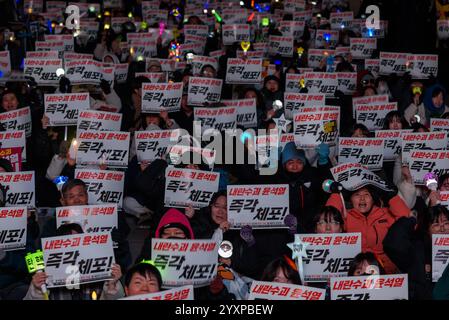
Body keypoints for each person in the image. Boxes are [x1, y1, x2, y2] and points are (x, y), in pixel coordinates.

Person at [24, 223, 123, 300]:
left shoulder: (101, 272)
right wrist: (37, 290)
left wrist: (112, 284)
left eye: (77, 241)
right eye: (67, 242)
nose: (73, 247)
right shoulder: (46, 276)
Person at [326, 184, 411, 273]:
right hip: (354, 271)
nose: (362, 198)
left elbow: (409, 223)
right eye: (357, 195)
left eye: (366, 194)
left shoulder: (386, 214)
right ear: (351, 200)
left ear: (373, 199)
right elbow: (329, 223)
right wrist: (336, 194)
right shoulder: (346, 217)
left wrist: (392, 198)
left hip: (386, 271)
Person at [384, 205, 449, 299]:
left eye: (446, 223)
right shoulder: (417, 249)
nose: (442, 229)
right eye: (436, 225)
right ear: (427, 230)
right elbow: (392, 243)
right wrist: (411, 220)